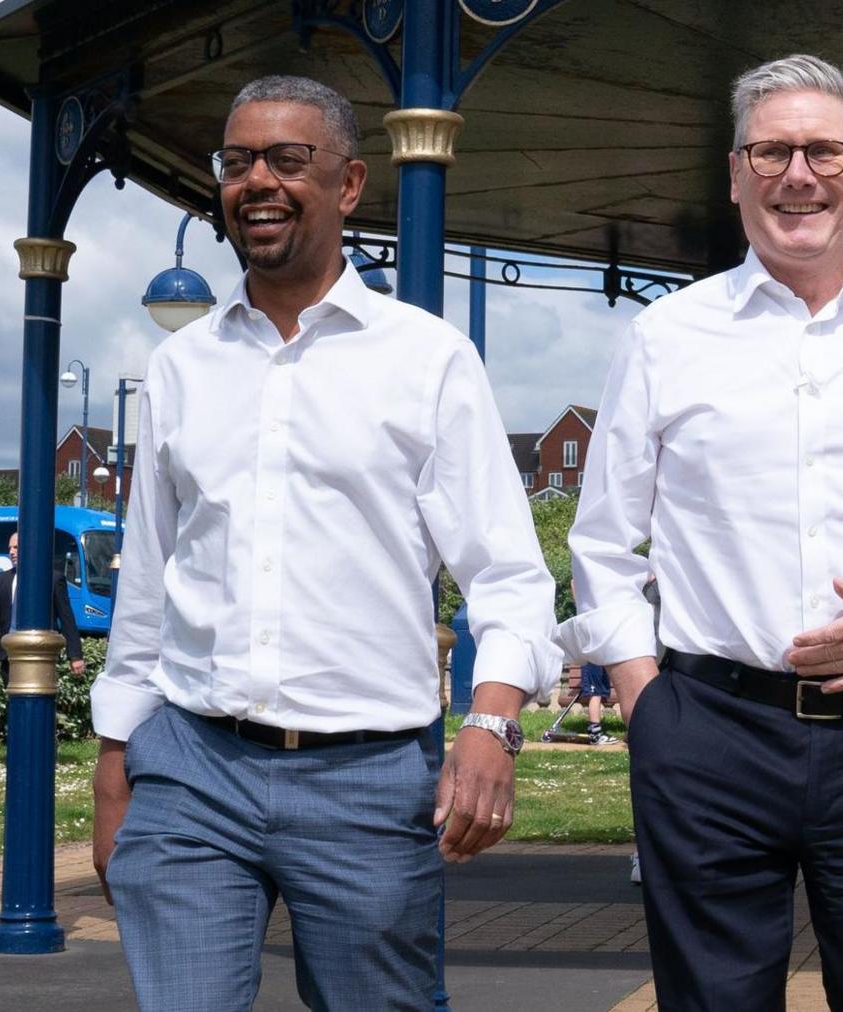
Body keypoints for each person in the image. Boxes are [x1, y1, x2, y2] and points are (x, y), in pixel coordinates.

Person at [88, 74, 559, 1010]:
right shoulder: (181, 369)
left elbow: (507, 573)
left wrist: (491, 724)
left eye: (287, 159)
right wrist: (114, 768)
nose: (256, 180)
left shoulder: (427, 361)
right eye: (236, 162)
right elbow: (147, 588)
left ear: (348, 185)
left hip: (368, 778)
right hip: (191, 769)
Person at [562, 53, 843, 1012]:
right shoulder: (666, 336)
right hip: (710, 736)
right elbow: (603, 541)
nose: (797, 175)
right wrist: (649, 706)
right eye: (772, 152)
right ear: (735, 175)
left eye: (822, 150)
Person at [0, 532, 86, 682]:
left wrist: (75, 655)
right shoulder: (3, 579)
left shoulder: (53, 579)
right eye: (10, 548)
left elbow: (66, 617)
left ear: (30, 548)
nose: (11, 552)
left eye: (16, 547)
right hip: (10, 654)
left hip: (42, 655)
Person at [576, 662, 619, 744]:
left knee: (597, 693)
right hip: (592, 661)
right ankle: (595, 733)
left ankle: (594, 731)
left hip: (599, 661)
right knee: (595, 694)